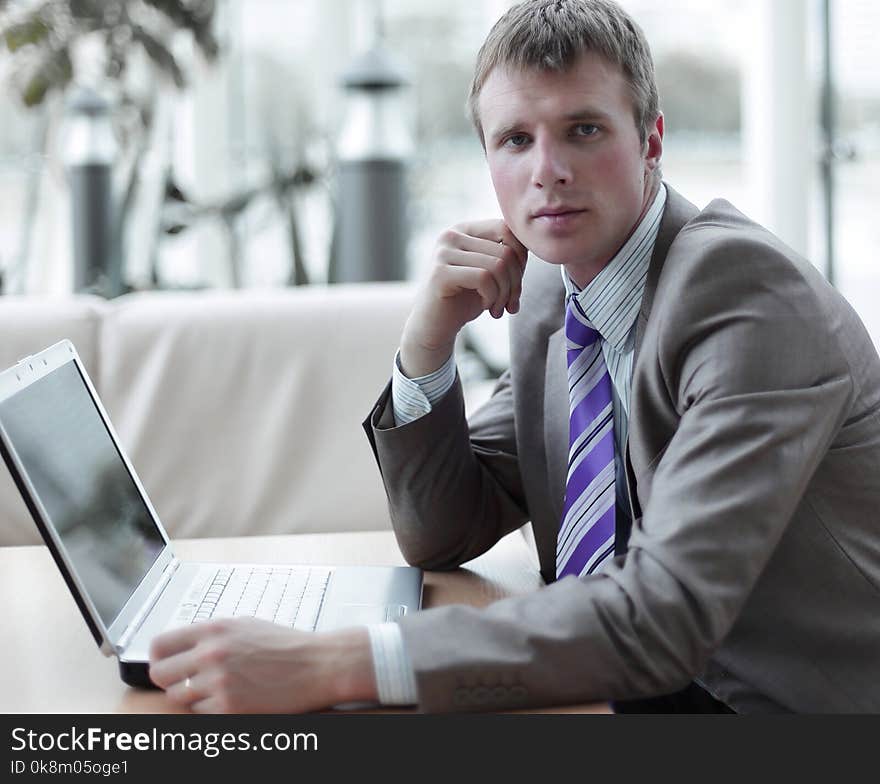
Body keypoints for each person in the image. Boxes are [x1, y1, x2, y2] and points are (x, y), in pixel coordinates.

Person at [149, 0, 880, 713]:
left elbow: (667, 617)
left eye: (584, 129)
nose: (548, 170)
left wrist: (339, 661)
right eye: (516, 140)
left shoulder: (744, 297)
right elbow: (446, 529)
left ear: (651, 141)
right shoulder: (554, 296)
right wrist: (426, 341)